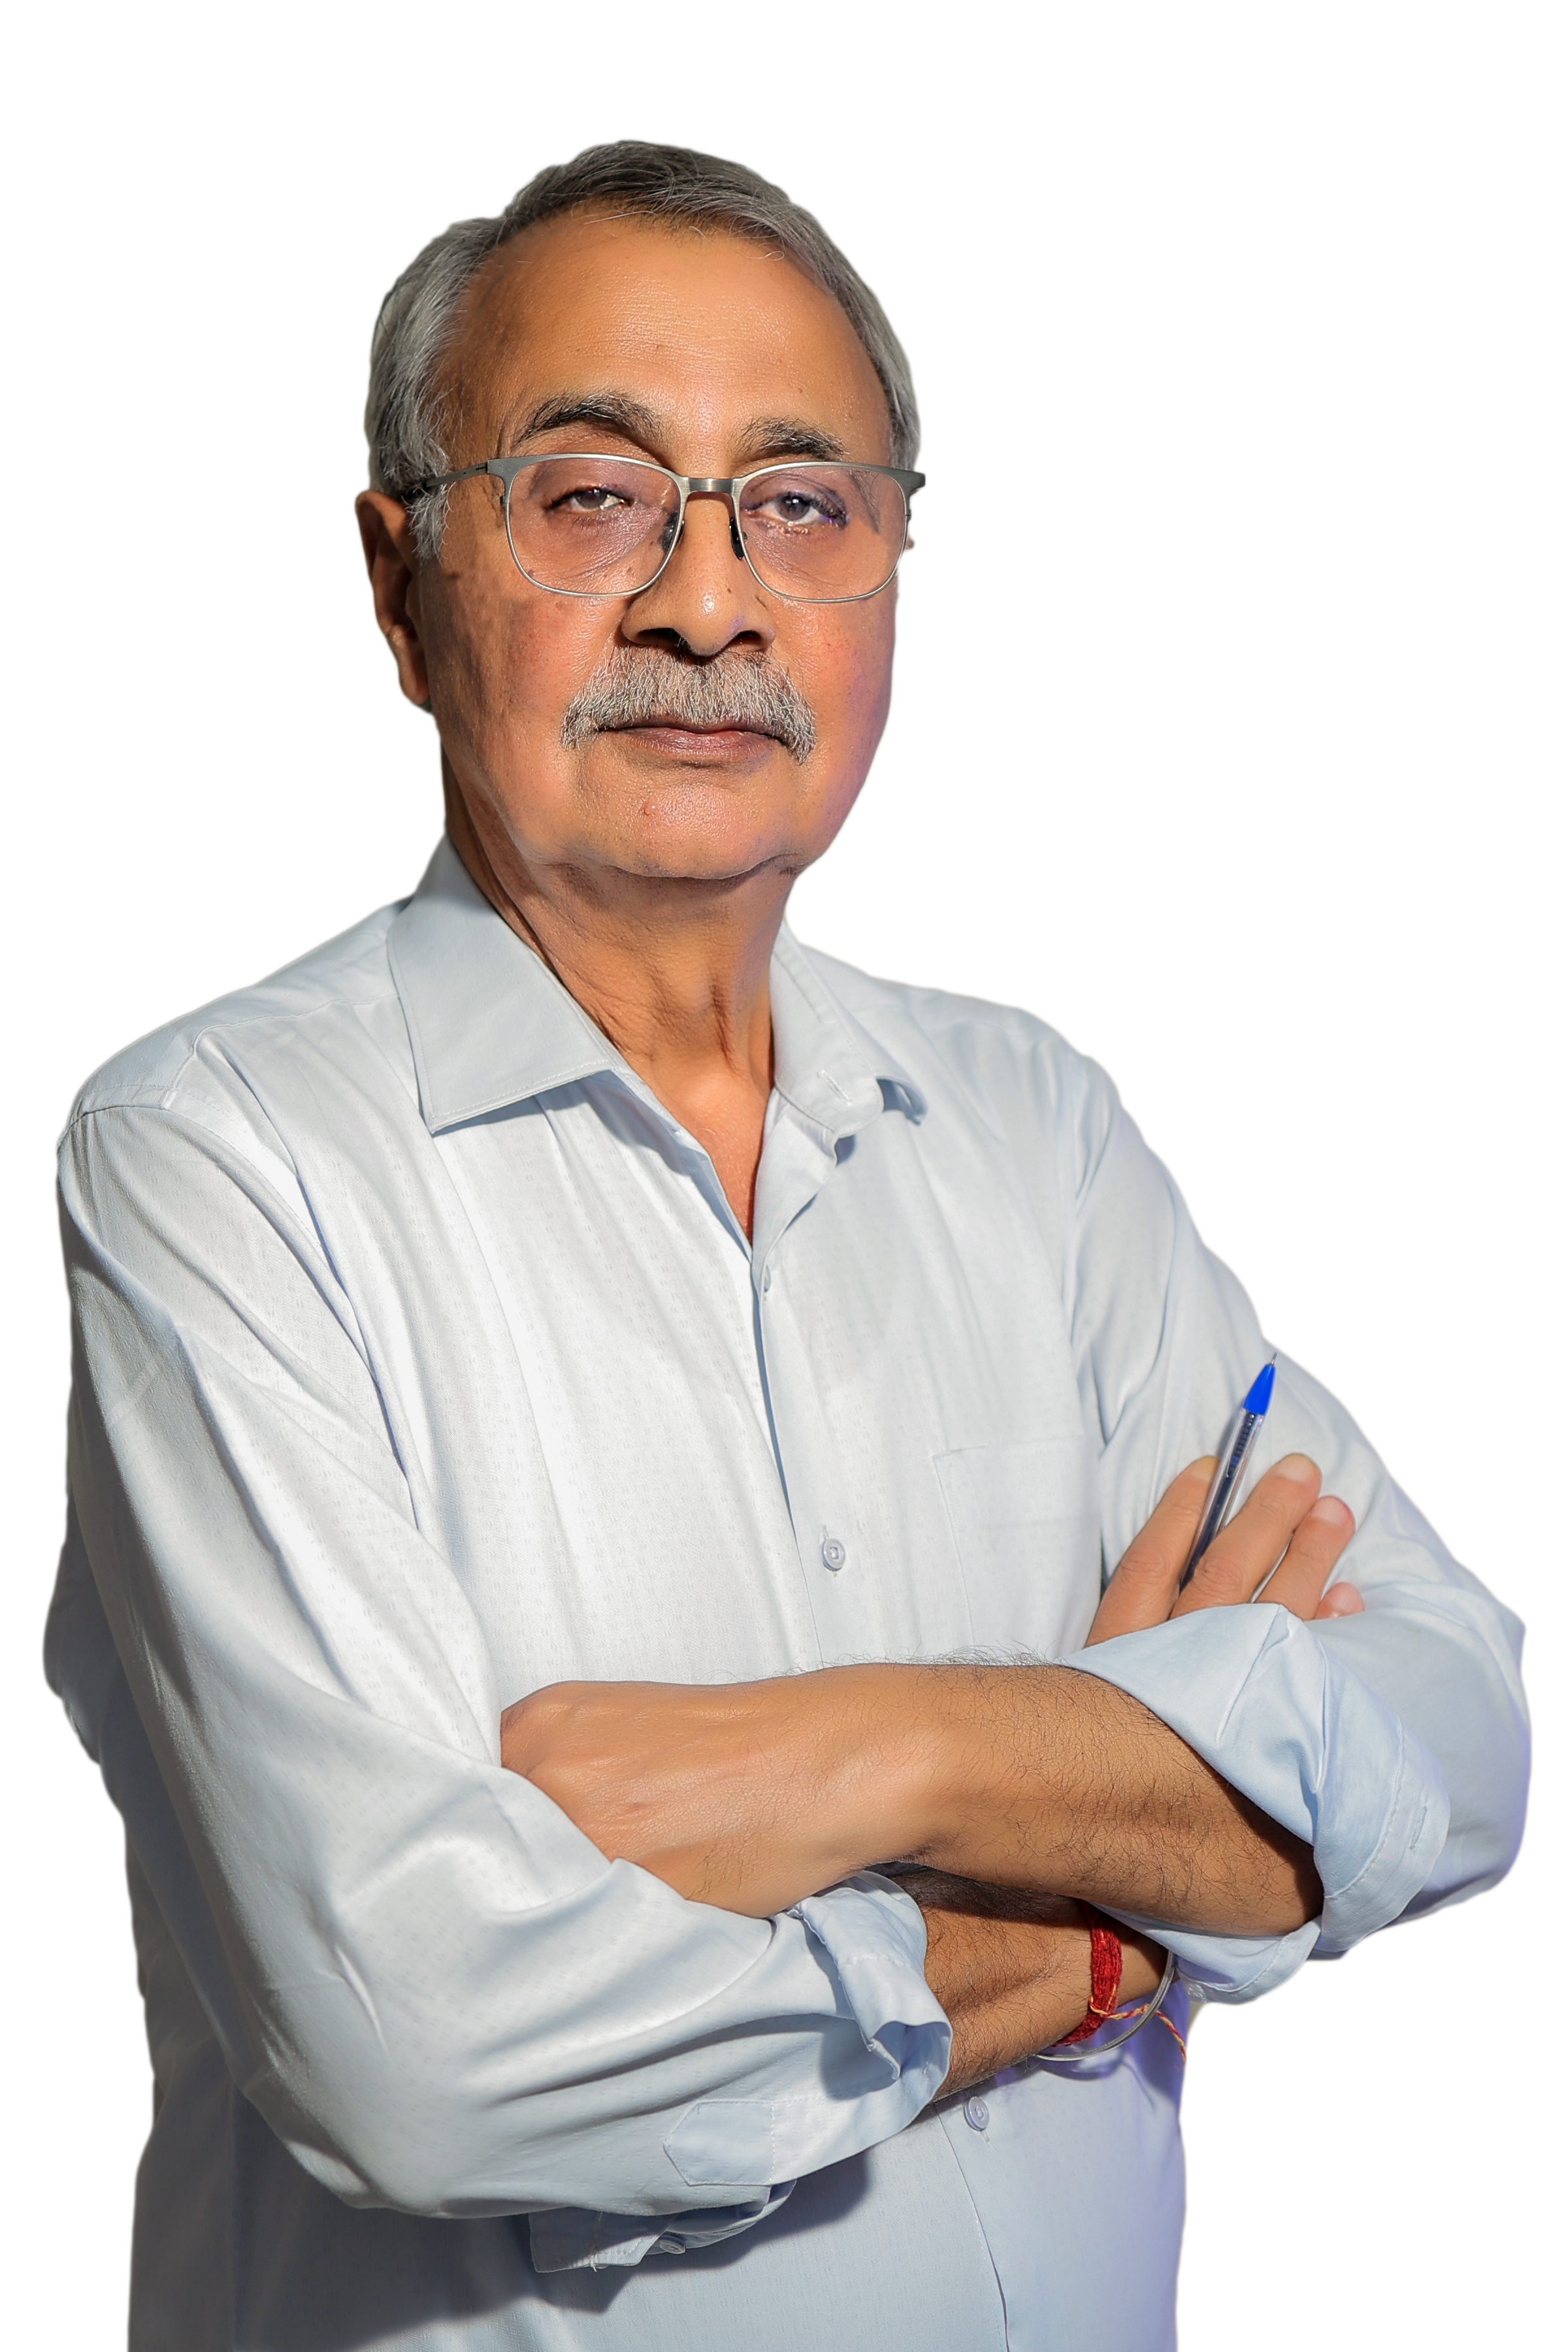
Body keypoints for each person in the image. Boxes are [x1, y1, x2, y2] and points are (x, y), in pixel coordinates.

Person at [45, 142, 1528, 2352]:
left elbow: (1457, 1728)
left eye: (802, 503)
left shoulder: (1032, 1134)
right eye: (592, 497)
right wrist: (1115, 1890)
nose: (710, 604)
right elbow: (421, 2046)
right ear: (400, 581)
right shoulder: (221, 1162)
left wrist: (888, 1752)